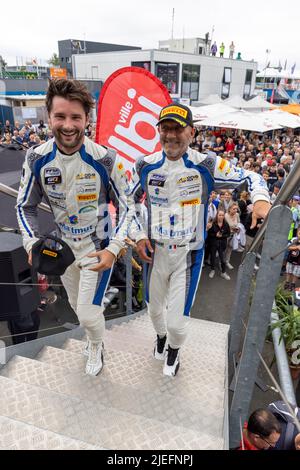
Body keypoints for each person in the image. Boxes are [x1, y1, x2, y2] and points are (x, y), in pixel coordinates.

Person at [131, 103, 271, 377]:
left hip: (189, 254)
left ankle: (173, 350)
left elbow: (250, 176)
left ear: (191, 132)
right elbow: (130, 200)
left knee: (177, 322)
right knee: (153, 310)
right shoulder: (145, 165)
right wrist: (137, 235)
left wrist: (261, 200)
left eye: (178, 129)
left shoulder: (206, 164)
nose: (171, 135)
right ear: (159, 131)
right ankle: (161, 339)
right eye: (166, 128)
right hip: (156, 252)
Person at [16, 78, 134, 377]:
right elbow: (24, 206)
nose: (68, 125)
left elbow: (129, 206)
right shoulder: (37, 158)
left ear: (87, 119)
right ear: (49, 116)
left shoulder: (106, 159)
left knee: (86, 311)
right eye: (60, 116)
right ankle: (94, 338)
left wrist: (114, 248)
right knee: (76, 305)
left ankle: (96, 345)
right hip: (62, 250)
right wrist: (31, 244)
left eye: (75, 117)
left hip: (98, 249)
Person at [207, 209, 231, 280]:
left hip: (221, 244)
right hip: (213, 243)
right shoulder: (213, 224)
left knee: (222, 259)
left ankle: (223, 272)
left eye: (222, 215)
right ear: (217, 215)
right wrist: (215, 235)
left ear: (224, 216)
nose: (221, 216)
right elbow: (209, 234)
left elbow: (228, 234)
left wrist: (222, 236)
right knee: (213, 258)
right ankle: (212, 270)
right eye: (219, 215)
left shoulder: (226, 224)